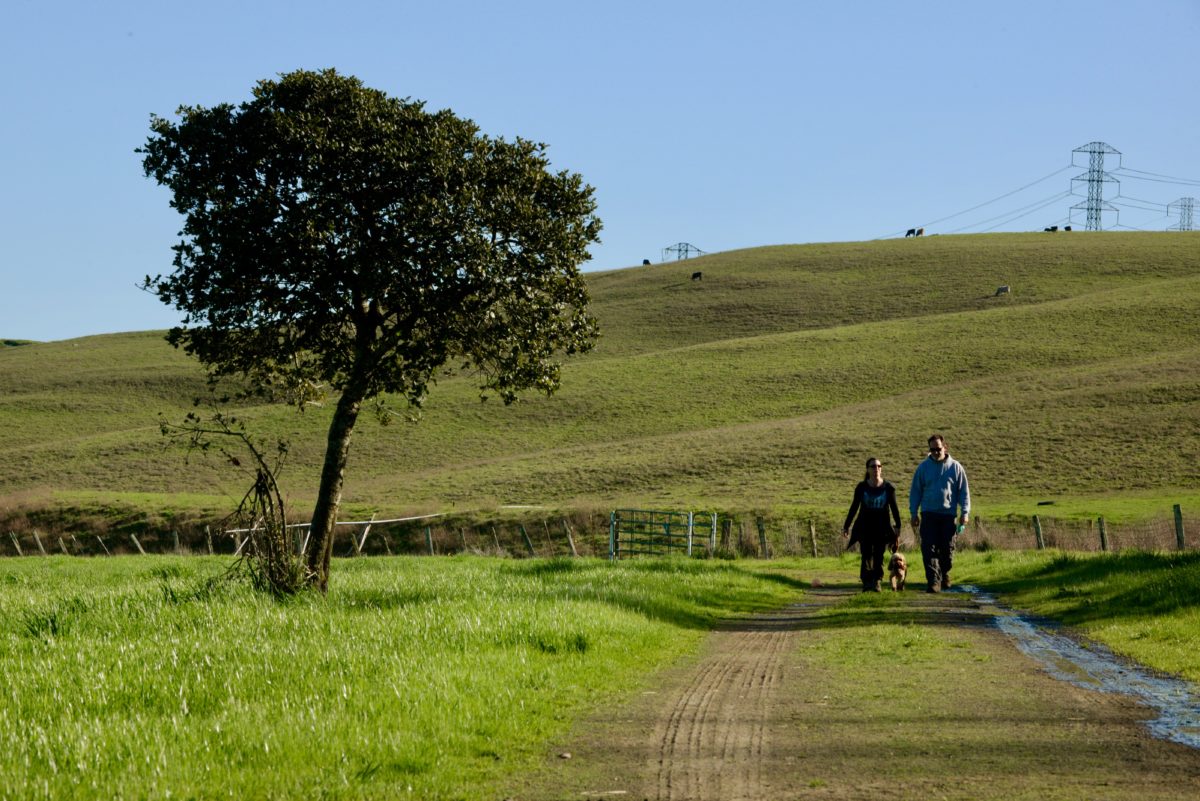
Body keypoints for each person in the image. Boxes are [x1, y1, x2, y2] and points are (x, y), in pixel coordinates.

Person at [909, 434, 971, 593]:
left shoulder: (956, 467)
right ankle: (934, 582)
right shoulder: (923, 468)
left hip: (948, 516)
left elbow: (964, 492)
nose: (935, 452)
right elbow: (915, 492)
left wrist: (965, 512)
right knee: (928, 549)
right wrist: (913, 513)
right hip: (928, 515)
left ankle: (944, 573)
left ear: (945, 447)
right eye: (932, 450)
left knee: (947, 550)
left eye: (938, 449)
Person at [842, 457, 902, 592]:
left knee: (879, 554)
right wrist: (846, 526)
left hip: (882, 527)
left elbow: (894, 508)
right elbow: (854, 507)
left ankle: (877, 581)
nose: (876, 469)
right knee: (866, 554)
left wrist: (898, 526)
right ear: (868, 469)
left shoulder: (888, 488)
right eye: (873, 466)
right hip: (864, 526)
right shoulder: (861, 487)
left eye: (879, 466)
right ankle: (867, 582)